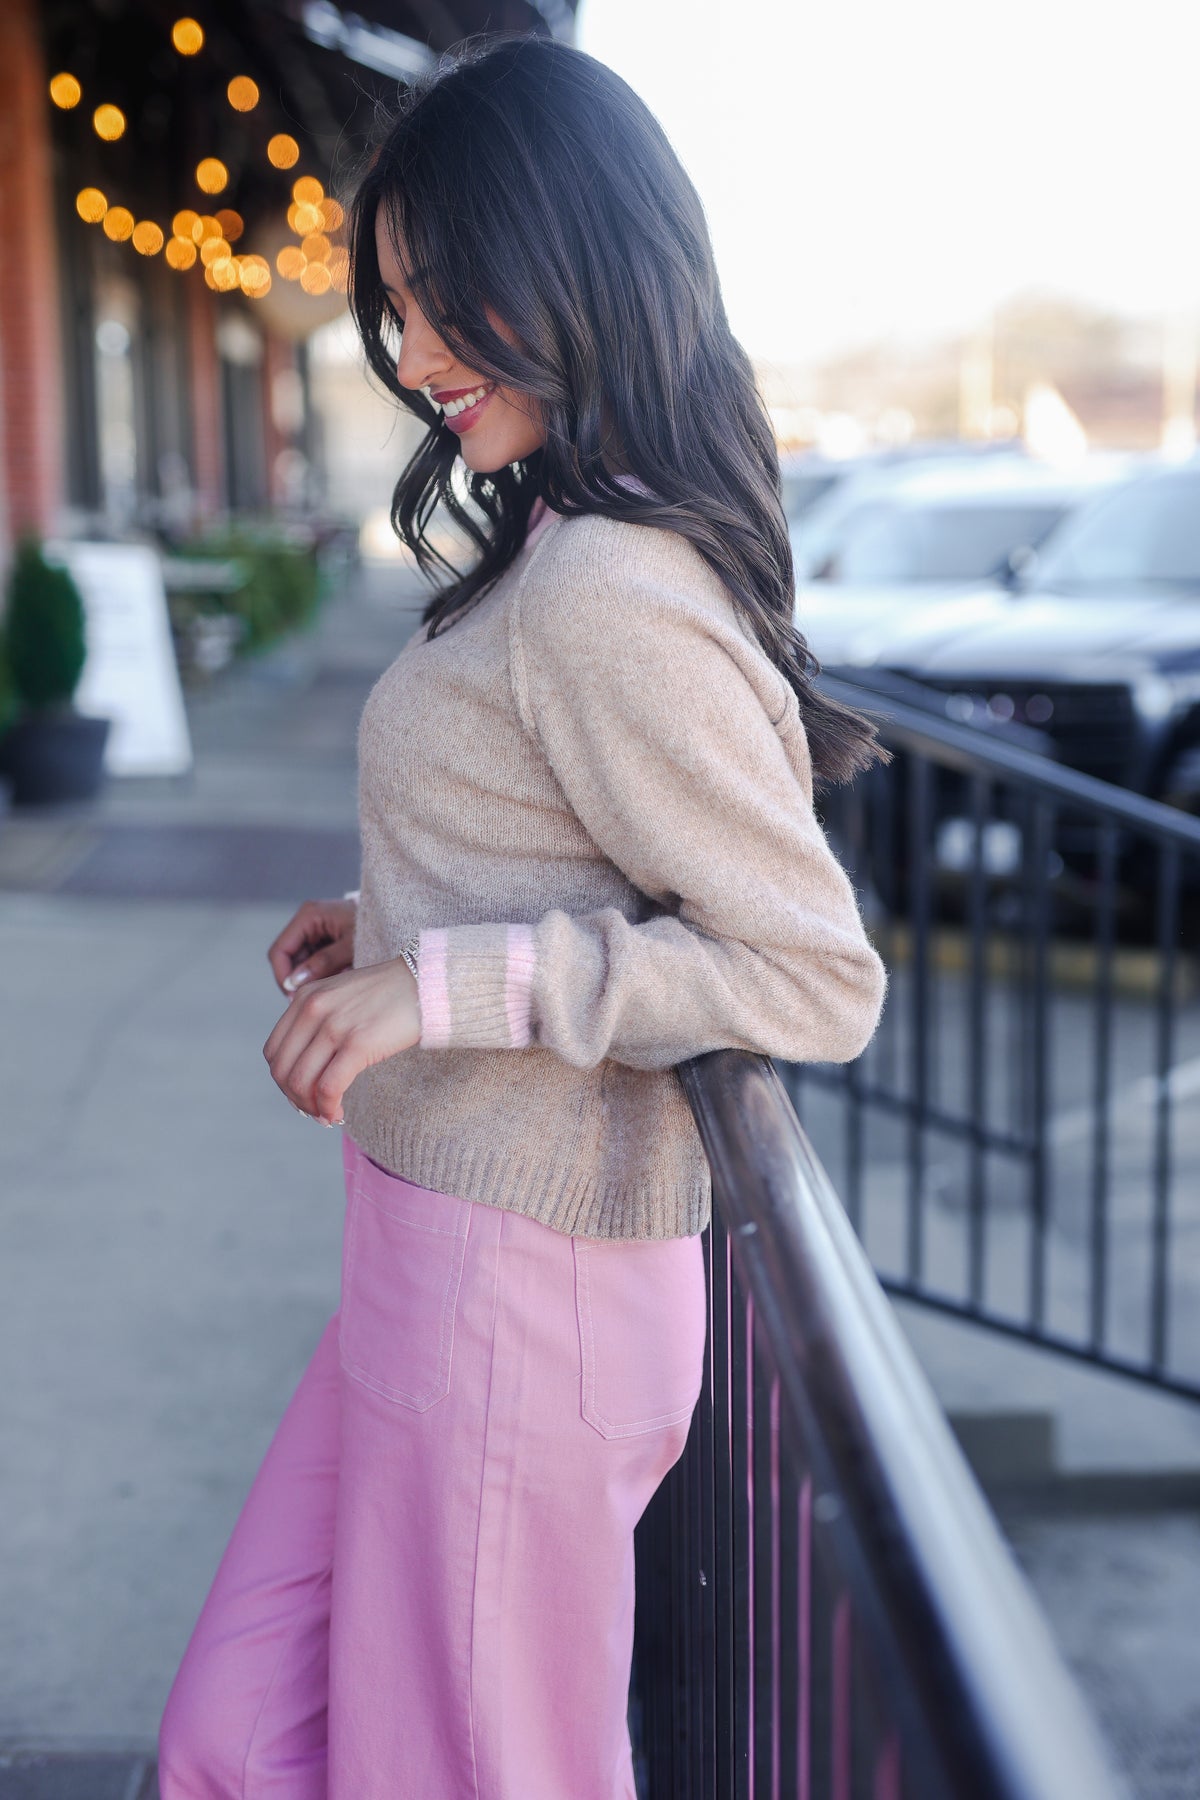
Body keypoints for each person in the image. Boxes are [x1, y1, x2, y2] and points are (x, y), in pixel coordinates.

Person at [156, 30, 888, 1800]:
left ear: (571, 263)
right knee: (237, 1745)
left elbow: (808, 970)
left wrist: (445, 988)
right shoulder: (557, 542)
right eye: (393, 309)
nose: (409, 358)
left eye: (442, 300)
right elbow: (569, 847)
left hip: (522, 1288)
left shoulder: (613, 586)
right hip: (432, 1248)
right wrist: (393, 922)